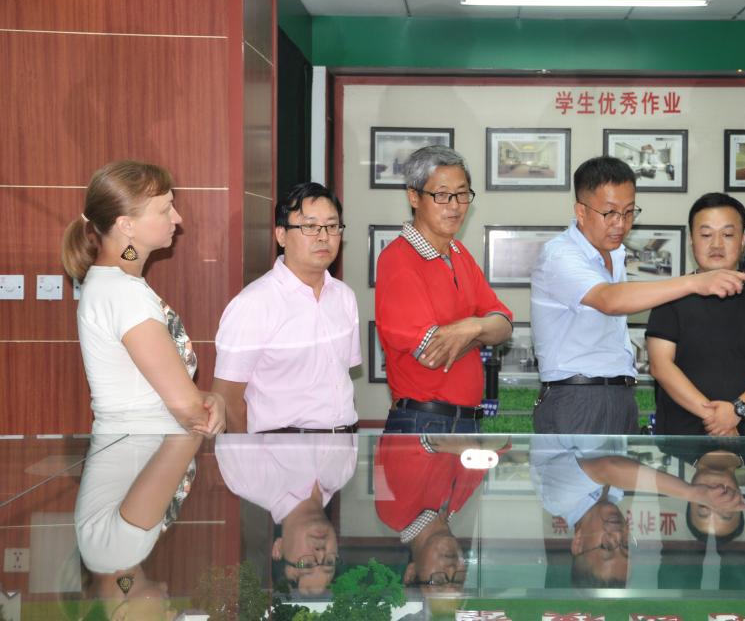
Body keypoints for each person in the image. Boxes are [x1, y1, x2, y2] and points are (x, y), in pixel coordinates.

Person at [530, 157, 745, 434]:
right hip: (576, 397)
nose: (621, 224)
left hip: (618, 395)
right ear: (581, 211)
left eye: (629, 212)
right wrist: (695, 283)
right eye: (610, 213)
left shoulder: (614, 253)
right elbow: (609, 300)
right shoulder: (560, 255)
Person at [61, 160, 224, 436]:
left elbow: (149, 395)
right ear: (126, 225)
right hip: (141, 452)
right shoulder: (125, 292)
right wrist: (208, 404)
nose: (177, 218)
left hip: (137, 447)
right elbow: (187, 409)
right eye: (165, 209)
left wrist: (209, 398)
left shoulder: (116, 280)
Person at [375, 146, 513, 433]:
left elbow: (504, 325)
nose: (455, 205)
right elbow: (432, 354)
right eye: (441, 195)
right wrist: (481, 331)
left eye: (462, 194)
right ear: (414, 197)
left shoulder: (459, 253)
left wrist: (470, 327)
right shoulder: (397, 259)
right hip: (423, 422)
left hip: (466, 422)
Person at [212, 182, 361, 433]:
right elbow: (227, 399)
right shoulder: (253, 304)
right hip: (281, 447)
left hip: (343, 444)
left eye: (332, 226)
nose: (323, 236)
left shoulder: (344, 297)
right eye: (310, 226)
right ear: (281, 235)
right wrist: (247, 453)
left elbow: (338, 379)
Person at [646, 193, 745, 437]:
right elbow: (660, 365)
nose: (716, 244)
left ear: (743, 239)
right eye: (706, 235)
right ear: (691, 240)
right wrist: (716, 419)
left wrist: (736, 411)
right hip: (680, 439)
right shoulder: (671, 295)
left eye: (727, 234)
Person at [529, 435, 745, 588]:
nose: (618, 534)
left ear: (578, 543)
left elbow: (609, 467)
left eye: (607, 546)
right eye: (625, 546)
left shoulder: (557, 500)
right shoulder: (615, 493)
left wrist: (694, 493)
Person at [74, 433, 201, 620]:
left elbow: (188, 437)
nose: (171, 615)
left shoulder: (125, 549)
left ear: (121, 616)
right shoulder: (104, 555)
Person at [215, 434, 358, 596]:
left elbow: (230, 418)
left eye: (306, 565)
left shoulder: (247, 481)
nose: (320, 552)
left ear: (279, 548)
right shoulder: (343, 472)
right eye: (329, 562)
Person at [373, 434, 508, 591]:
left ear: (411, 573)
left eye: (438, 580)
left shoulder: (393, 513)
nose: (451, 569)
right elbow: (499, 442)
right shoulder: (456, 504)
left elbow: (416, 435)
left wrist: (470, 447)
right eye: (458, 580)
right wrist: (480, 447)